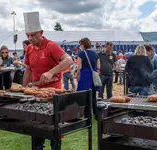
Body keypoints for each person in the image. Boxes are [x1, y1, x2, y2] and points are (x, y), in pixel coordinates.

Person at [22, 12, 73, 150]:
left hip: (52, 94)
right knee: (36, 125)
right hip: (36, 94)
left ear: (41, 32)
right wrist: (24, 88)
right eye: (28, 35)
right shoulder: (30, 49)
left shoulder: (51, 46)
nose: (30, 38)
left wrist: (51, 72)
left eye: (34, 35)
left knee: (53, 128)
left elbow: (69, 60)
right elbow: (28, 69)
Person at [76, 37, 100, 119]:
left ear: (83, 44)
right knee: (93, 96)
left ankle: (87, 115)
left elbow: (79, 67)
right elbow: (98, 66)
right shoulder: (95, 54)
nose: (80, 46)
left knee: (83, 96)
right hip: (93, 76)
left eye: (80, 44)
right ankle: (96, 114)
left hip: (84, 76)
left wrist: (76, 75)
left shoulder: (81, 53)